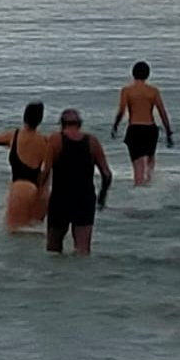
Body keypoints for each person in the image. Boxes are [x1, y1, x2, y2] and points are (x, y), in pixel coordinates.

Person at [42, 109, 112, 255]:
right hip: (84, 200)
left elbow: (45, 171)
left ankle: (54, 276)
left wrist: (39, 194)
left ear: (62, 124)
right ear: (80, 124)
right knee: (83, 250)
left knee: (53, 249)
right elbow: (106, 174)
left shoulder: (55, 140)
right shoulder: (92, 141)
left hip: (60, 199)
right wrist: (102, 196)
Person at [0, 102, 51, 233]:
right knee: (33, 233)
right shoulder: (45, 141)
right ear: (40, 120)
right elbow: (47, 169)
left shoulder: (14, 136)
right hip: (40, 191)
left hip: (20, 188)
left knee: (13, 233)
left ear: (24, 117)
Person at [112, 61, 174, 186]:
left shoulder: (127, 91)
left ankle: (139, 193)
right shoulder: (153, 91)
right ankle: (151, 187)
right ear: (148, 75)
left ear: (133, 74)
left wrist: (115, 126)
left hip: (135, 129)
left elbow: (121, 111)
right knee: (150, 161)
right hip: (150, 129)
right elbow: (162, 112)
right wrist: (168, 132)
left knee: (138, 164)